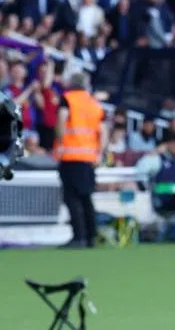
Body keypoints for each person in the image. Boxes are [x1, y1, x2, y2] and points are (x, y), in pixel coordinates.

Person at [55, 73, 106, 248]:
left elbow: (62, 119)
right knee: (86, 197)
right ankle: (92, 236)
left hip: (70, 156)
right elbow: (103, 130)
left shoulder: (67, 99)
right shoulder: (94, 104)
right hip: (89, 157)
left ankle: (78, 237)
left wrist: (60, 142)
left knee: (72, 198)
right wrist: (100, 152)